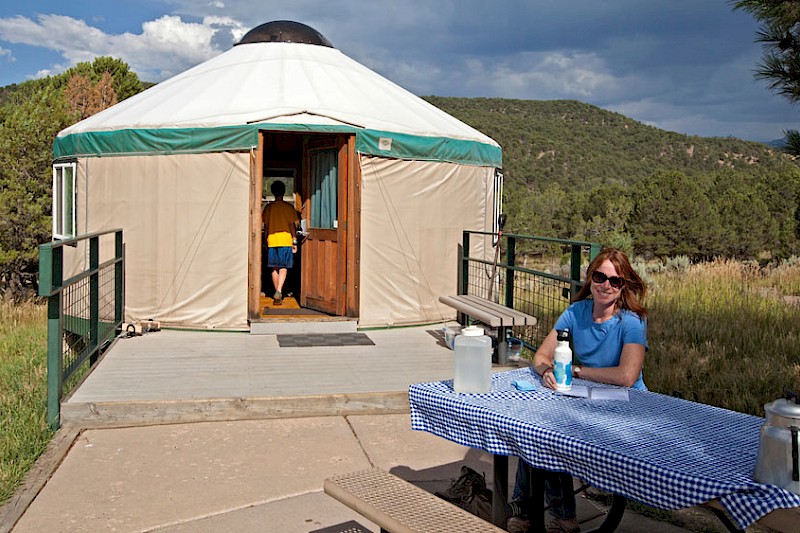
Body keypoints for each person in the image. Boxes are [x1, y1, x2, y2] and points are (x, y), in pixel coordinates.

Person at [507, 247, 648, 533]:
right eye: (600, 276)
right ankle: (536, 512)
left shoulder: (632, 322)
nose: (605, 285)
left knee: (555, 435)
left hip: (629, 405)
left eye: (615, 280)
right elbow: (541, 356)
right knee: (538, 428)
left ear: (623, 287)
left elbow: (626, 376)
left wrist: (574, 371)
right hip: (588, 397)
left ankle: (551, 515)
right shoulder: (576, 312)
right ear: (590, 277)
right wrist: (547, 371)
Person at [262, 180, 300, 305]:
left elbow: (266, 226)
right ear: (284, 192)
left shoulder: (268, 208)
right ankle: (279, 290)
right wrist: (294, 241)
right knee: (284, 267)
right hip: (285, 240)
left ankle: (276, 291)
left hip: (272, 241)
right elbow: (292, 226)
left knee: (274, 267)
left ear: (272, 192)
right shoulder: (288, 208)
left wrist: (265, 240)